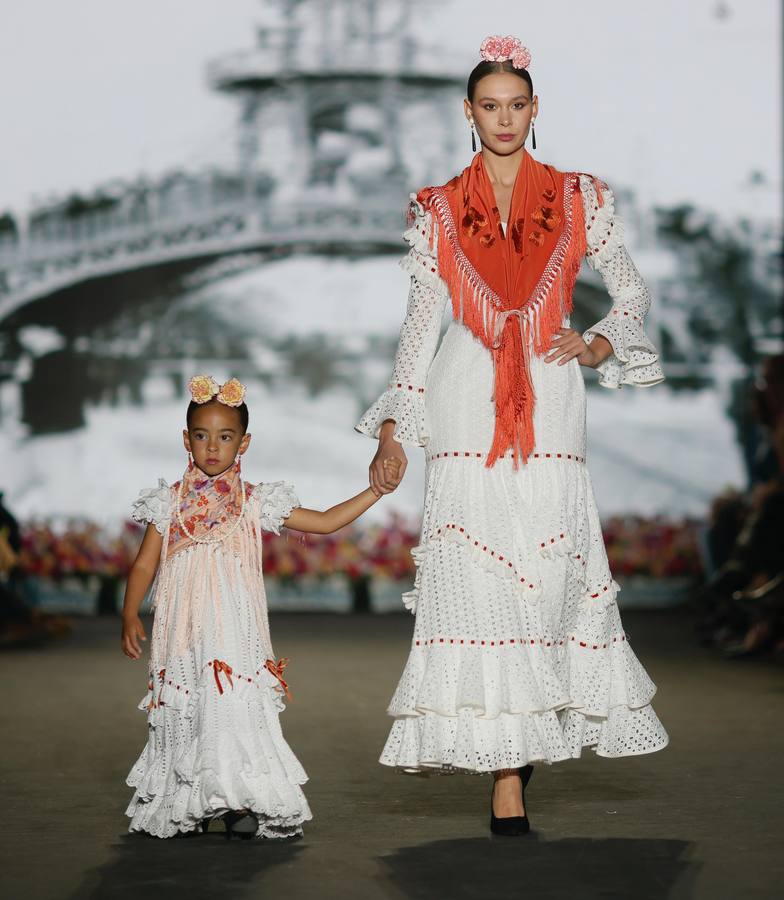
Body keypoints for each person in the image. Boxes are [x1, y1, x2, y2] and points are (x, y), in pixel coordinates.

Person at [357, 36, 669, 837]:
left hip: (554, 402)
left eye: (516, 105)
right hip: (464, 406)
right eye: (488, 106)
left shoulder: (577, 195)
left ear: (535, 110)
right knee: (482, 586)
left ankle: (523, 748)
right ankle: (505, 777)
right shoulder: (437, 206)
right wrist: (396, 422)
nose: (503, 118)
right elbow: (422, 325)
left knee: (546, 581)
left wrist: (598, 343)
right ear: (469, 112)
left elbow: (629, 289)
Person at [122, 375, 398, 839]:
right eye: (202, 435)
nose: (213, 447)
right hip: (182, 633)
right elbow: (144, 564)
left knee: (228, 705)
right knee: (189, 705)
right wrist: (130, 613)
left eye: (225, 437)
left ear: (244, 443)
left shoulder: (254, 502)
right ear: (185, 439)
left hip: (232, 630)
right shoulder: (167, 502)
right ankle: (187, 798)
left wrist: (377, 492)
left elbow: (326, 522)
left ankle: (234, 798)